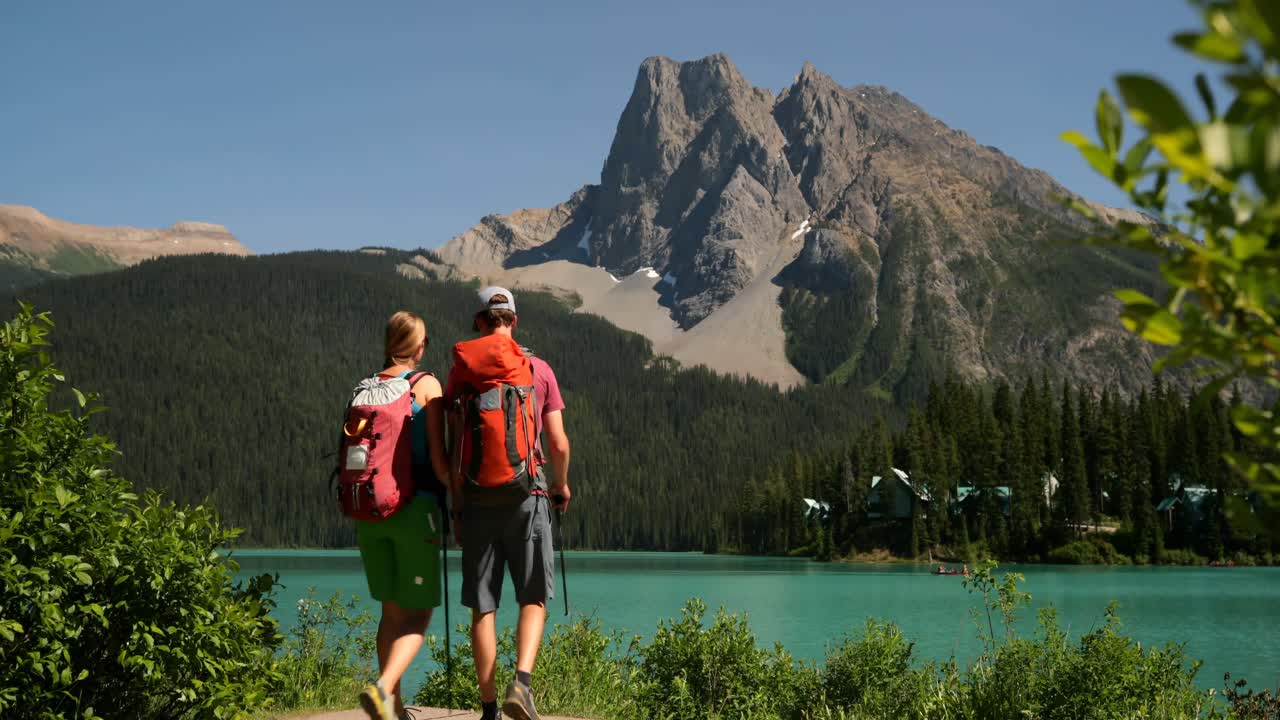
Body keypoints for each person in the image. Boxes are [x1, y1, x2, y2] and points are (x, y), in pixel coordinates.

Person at [446, 287, 571, 720]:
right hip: (529, 494)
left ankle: (487, 709)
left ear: (480, 322)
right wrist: (561, 485)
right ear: (513, 321)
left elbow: (456, 445)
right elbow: (557, 441)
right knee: (532, 597)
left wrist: (458, 508)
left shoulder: (462, 371)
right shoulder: (538, 370)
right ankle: (522, 684)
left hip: (478, 498)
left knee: (484, 605)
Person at [356, 311, 450, 720]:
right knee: (421, 611)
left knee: (391, 611)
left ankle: (392, 709)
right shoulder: (426, 385)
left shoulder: (364, 389)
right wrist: (458, 498)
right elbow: (438, 457)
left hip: (369, 514)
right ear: (417, 347)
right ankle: (381, 689)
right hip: (415, 512)